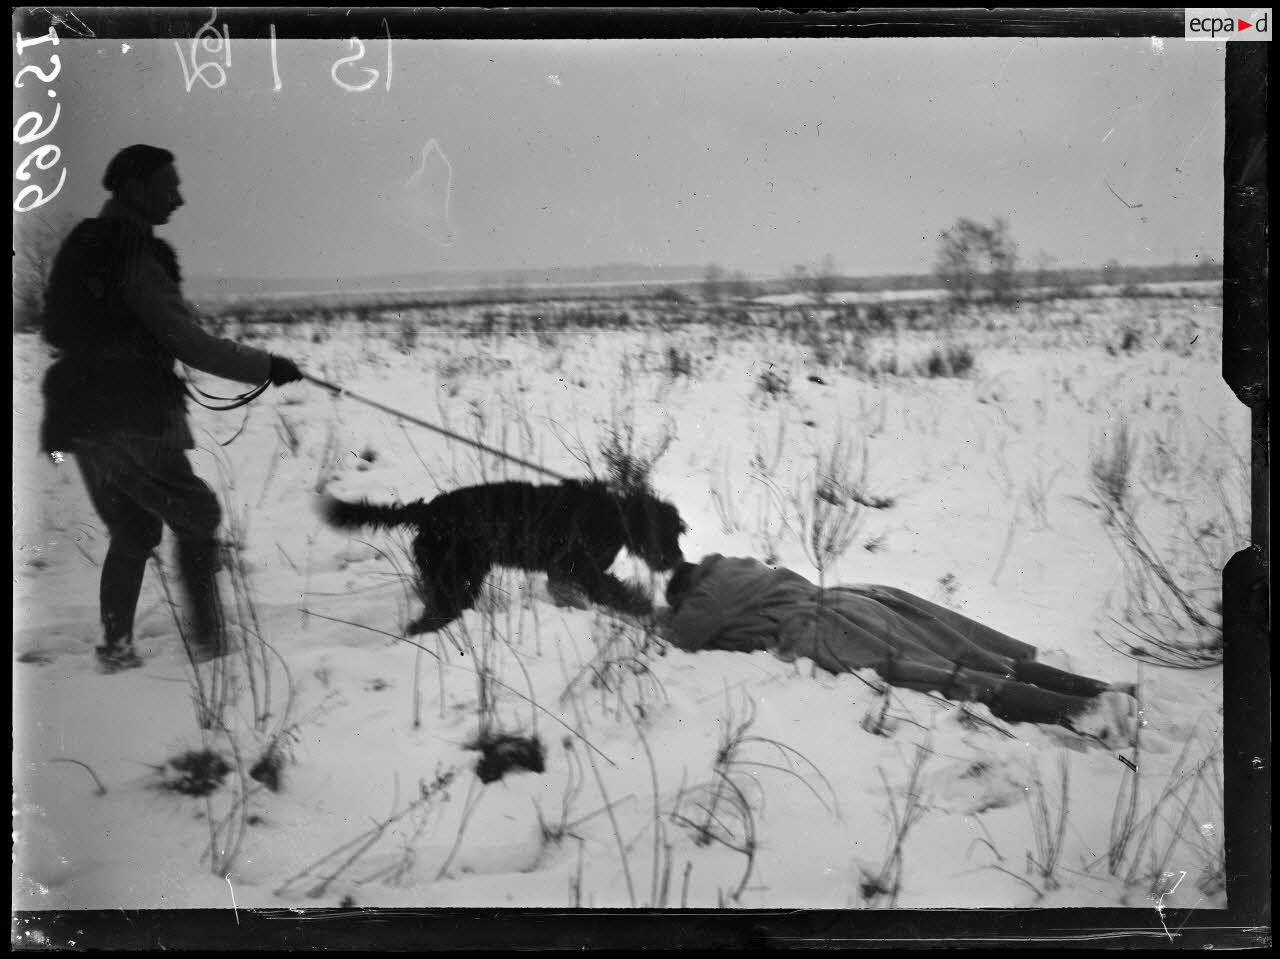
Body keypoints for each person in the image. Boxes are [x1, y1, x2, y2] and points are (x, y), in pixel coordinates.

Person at [38, 144, 306, 673]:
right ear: (137, 190)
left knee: (134, 531)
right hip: (131, 416)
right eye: (169, 186)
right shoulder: (134, 254)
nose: (179, 199)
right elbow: (188, 341)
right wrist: (267, 365)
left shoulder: (87, 245)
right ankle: (210, 648)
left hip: (80, 415)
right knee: (198, 514)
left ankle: (116, 649)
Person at [660, 554, 1137, 744]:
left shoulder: (706, 593)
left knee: (945, 676)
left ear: (687, 588)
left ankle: (1085, 711)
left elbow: (681, 637)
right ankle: (1102, 691)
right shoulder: (742, 565)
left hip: (826, 627)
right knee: (971, 655)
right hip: (855, 599)